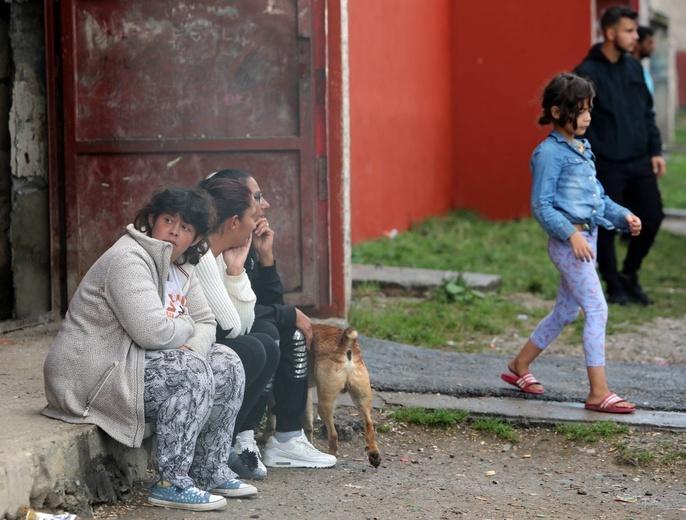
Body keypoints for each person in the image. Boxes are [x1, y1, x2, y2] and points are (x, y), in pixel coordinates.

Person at [42, 187, 257, 512]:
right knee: (191, 371)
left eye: (185, 228)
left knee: (227, 362)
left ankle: (208, 469)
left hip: (136, 366)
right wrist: (185, 329)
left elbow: (208, 323)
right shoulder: (128, 259)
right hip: (91, 377)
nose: (175, 231)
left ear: (196, 236)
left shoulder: (182, 265)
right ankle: (171, 482)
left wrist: (188, 344)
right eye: (168, 220)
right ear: (151, 220)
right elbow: (152, 332)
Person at [501, 73, 641, 414]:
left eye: (589, 108)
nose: (588, 116)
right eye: (580, 110)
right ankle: (598, 393)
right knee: (597, 309)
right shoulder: (548, 153)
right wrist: (571, 234)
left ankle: (519, 366)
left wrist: (624, 216)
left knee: (566, 311)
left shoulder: (581, 147)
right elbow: (542, 205)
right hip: (569, 244)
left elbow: (597, 199)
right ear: (556, 111)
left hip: (584, 240)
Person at [202, 169, 337, 470]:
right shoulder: (209, 249)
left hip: (235, 325)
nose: (266, 206)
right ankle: (242, 434)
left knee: (287, 333)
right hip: (212, 337)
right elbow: (227, 318)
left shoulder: (244, 243)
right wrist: (285, 314)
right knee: (268, 337)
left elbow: (263, 305)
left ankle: (287, 439)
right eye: (257, 198)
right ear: (234, 212)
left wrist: (266, 258)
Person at [574, 5, 665, 306]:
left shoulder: (634, 67)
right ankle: (613, 285)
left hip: (639, 160)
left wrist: (655, 150)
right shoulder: (586, 73)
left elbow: (647, 113)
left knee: (652, 217)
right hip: (606, 163)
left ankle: (629, 274)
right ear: (610, 33)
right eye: (629, 31)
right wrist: (592, 157)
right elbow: (576, 121)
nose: (635, 36)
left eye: (635, 30)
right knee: (608, 227)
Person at [194, 177, 280, 480]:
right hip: (186, 355)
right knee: (256, 347)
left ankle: (226, 441)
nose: (254, 221)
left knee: (265, 340)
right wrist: (236, 271)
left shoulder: (220, 255)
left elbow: (242, 325)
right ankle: (211, 449)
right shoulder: (203, 255)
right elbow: (232, 328)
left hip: (205, 350)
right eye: (250, 216)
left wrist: (235, 270)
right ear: (233, 222)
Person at [632, 25, 656, 97]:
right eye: (649, 43)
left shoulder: (642, 69)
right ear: (637, 44)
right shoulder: (629, 70)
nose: (652, 46)